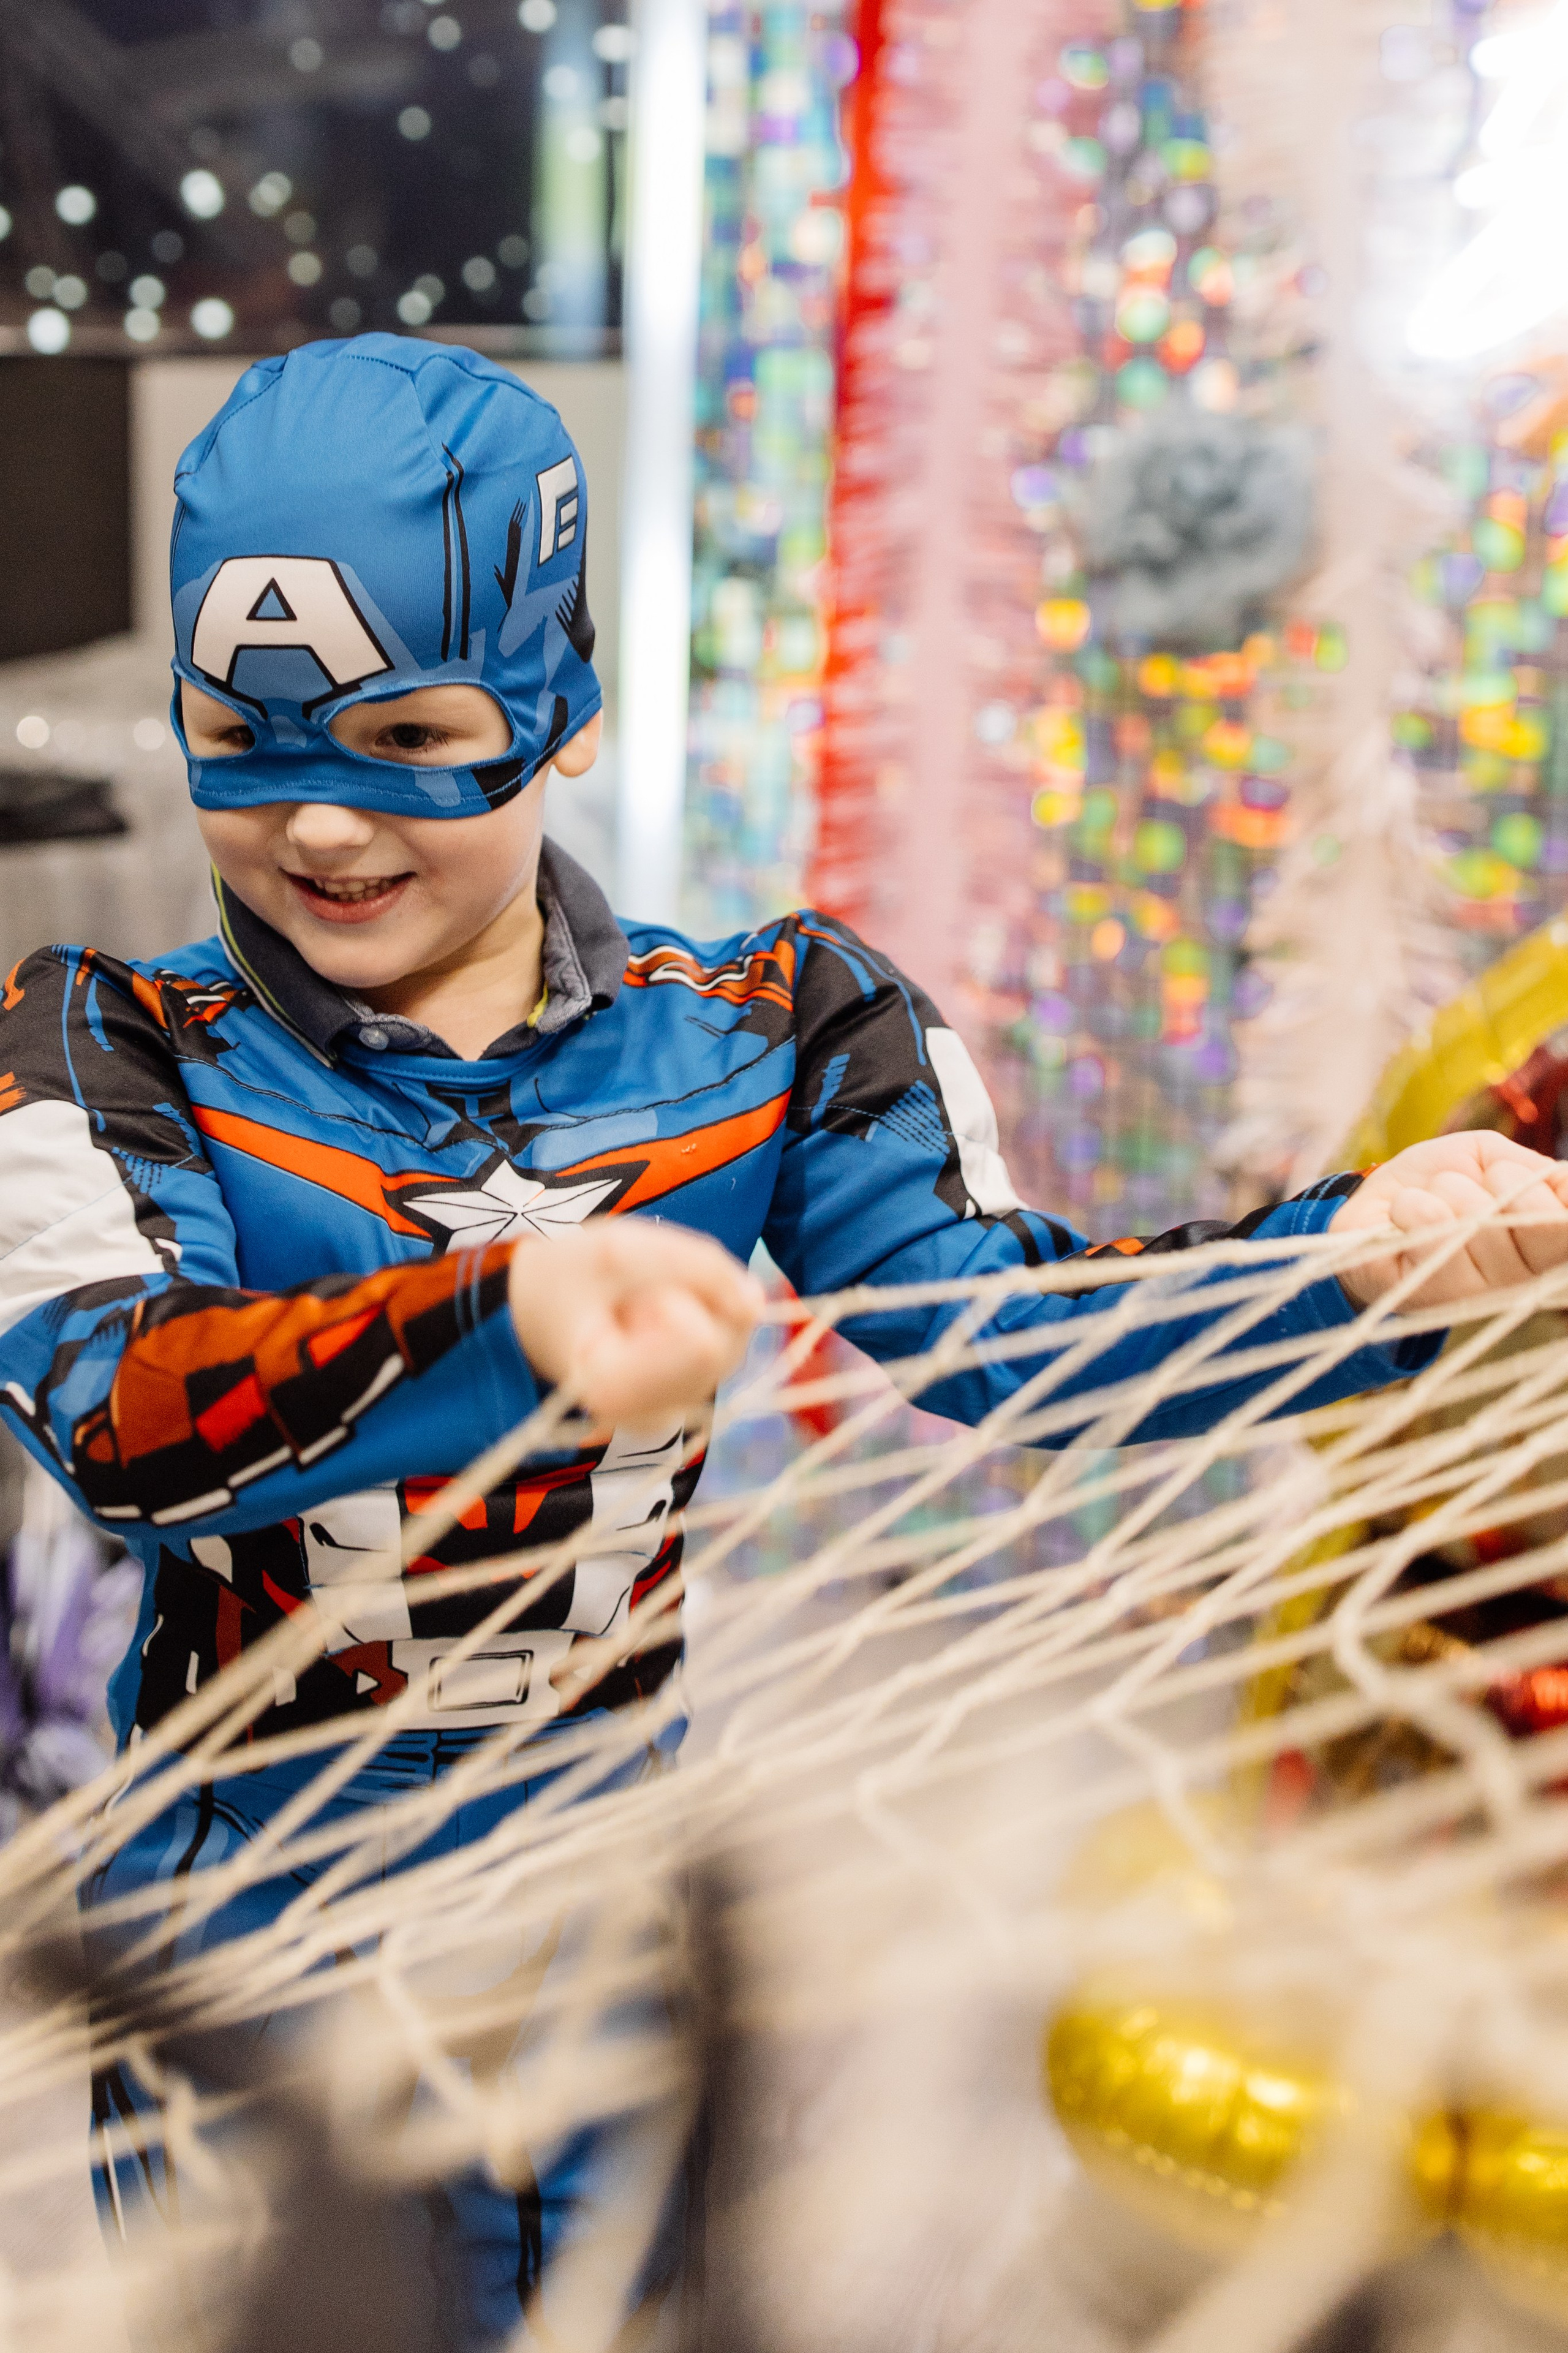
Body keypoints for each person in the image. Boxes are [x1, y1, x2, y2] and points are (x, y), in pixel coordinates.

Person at [0, 334, 1563, 2346]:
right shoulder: (107, 1040)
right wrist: (510, 1308)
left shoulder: (768, 1028)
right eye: (245, 739)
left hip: (607, 1920)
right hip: (250, 1939)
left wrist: (1359, 1260)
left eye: (410, 736)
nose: (320, 827)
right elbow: (116, 1400)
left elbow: (1025, 1342)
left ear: (559, 706)